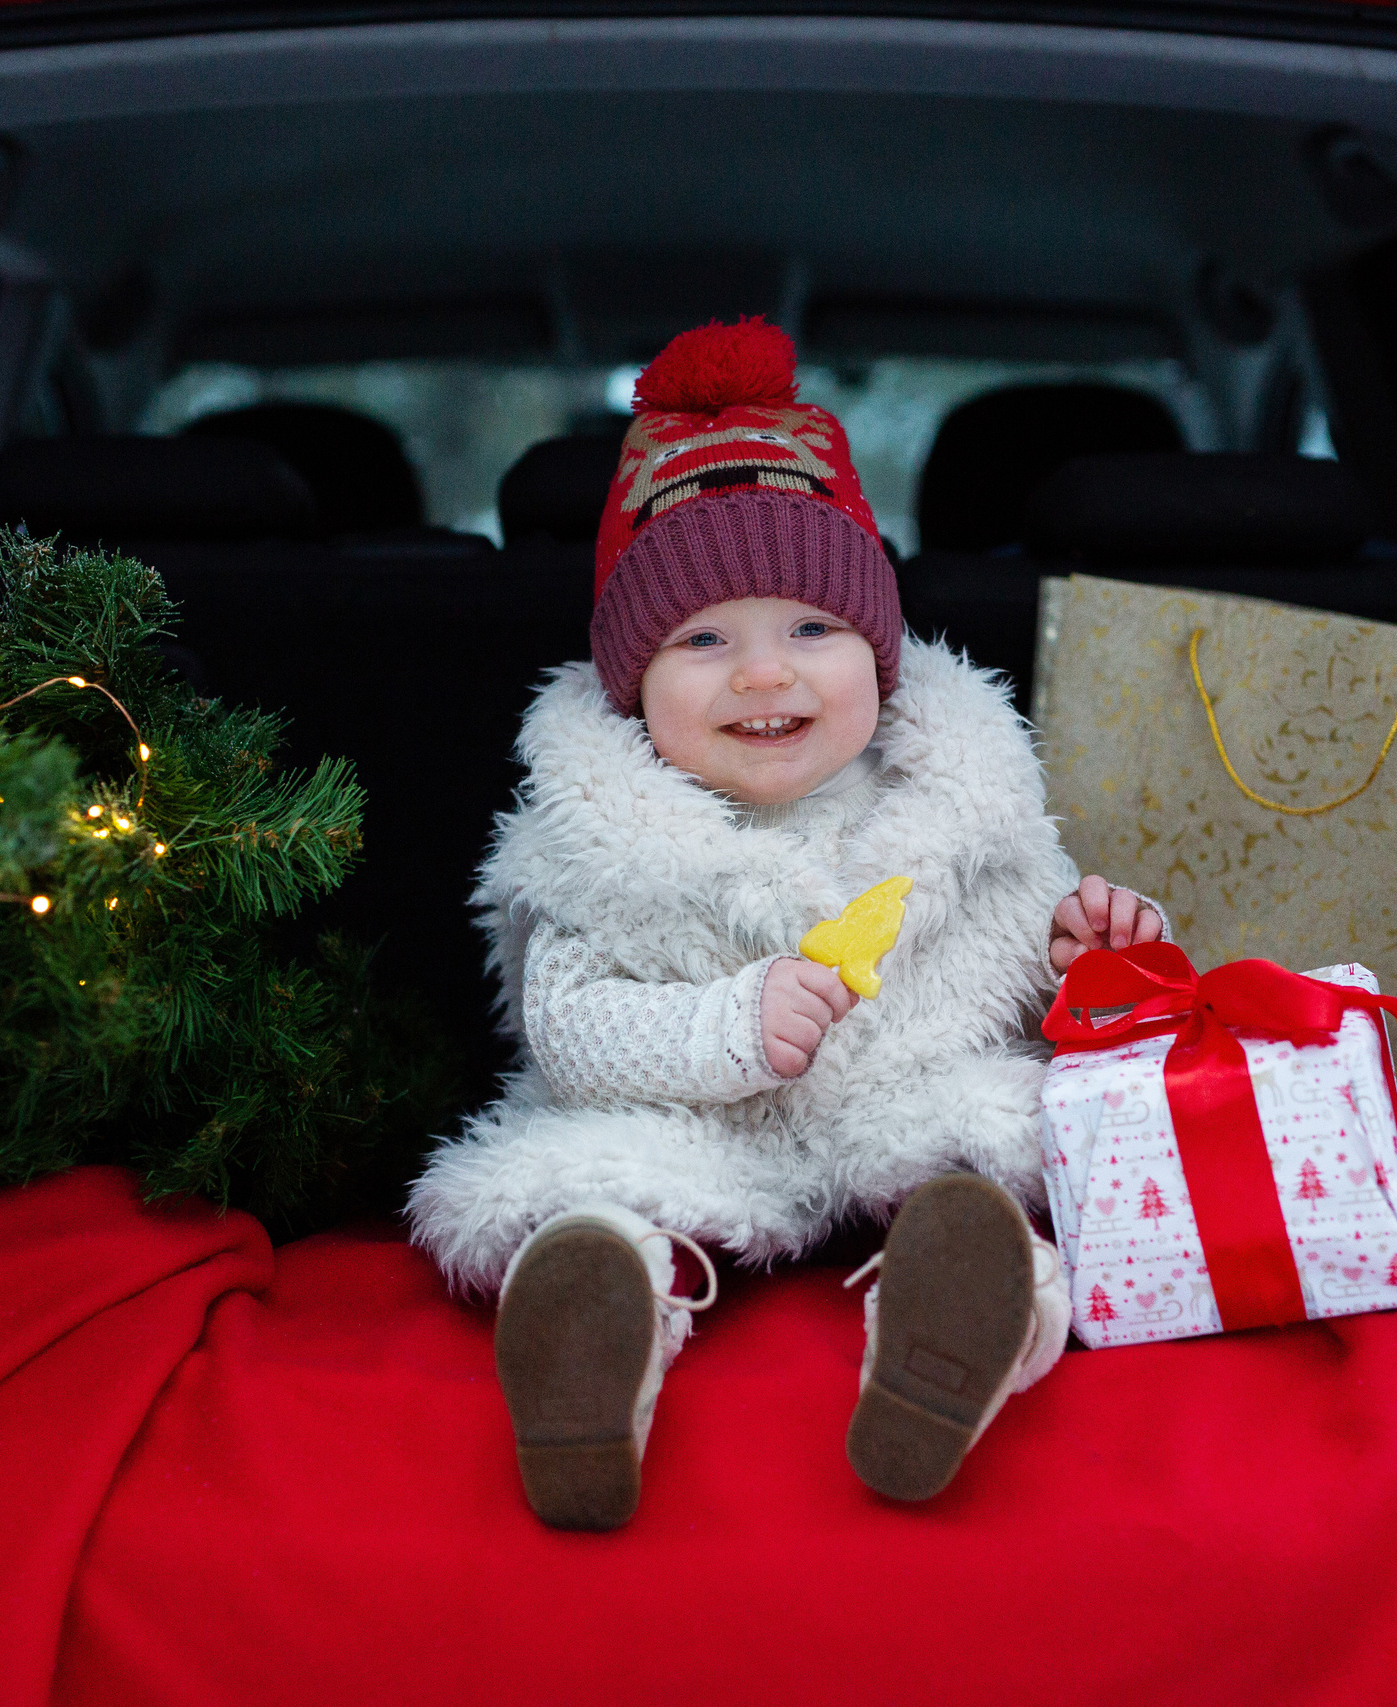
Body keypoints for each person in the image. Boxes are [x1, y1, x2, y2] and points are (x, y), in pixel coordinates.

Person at [406, 318, 1166, 1530]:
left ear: (879, 654)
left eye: (813, 630)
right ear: (632, 688)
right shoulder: (597, 837)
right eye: (703, 641)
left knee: (1006, 1155)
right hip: (693, 1128)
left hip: (910, 1107)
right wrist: (728, 1028)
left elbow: (1031, 977)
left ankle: (965, 1303)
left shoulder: (962, 803)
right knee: (594, 1191)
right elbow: (569, 1028)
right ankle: (606, 1317)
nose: (765, 675)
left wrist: (1100, 952)